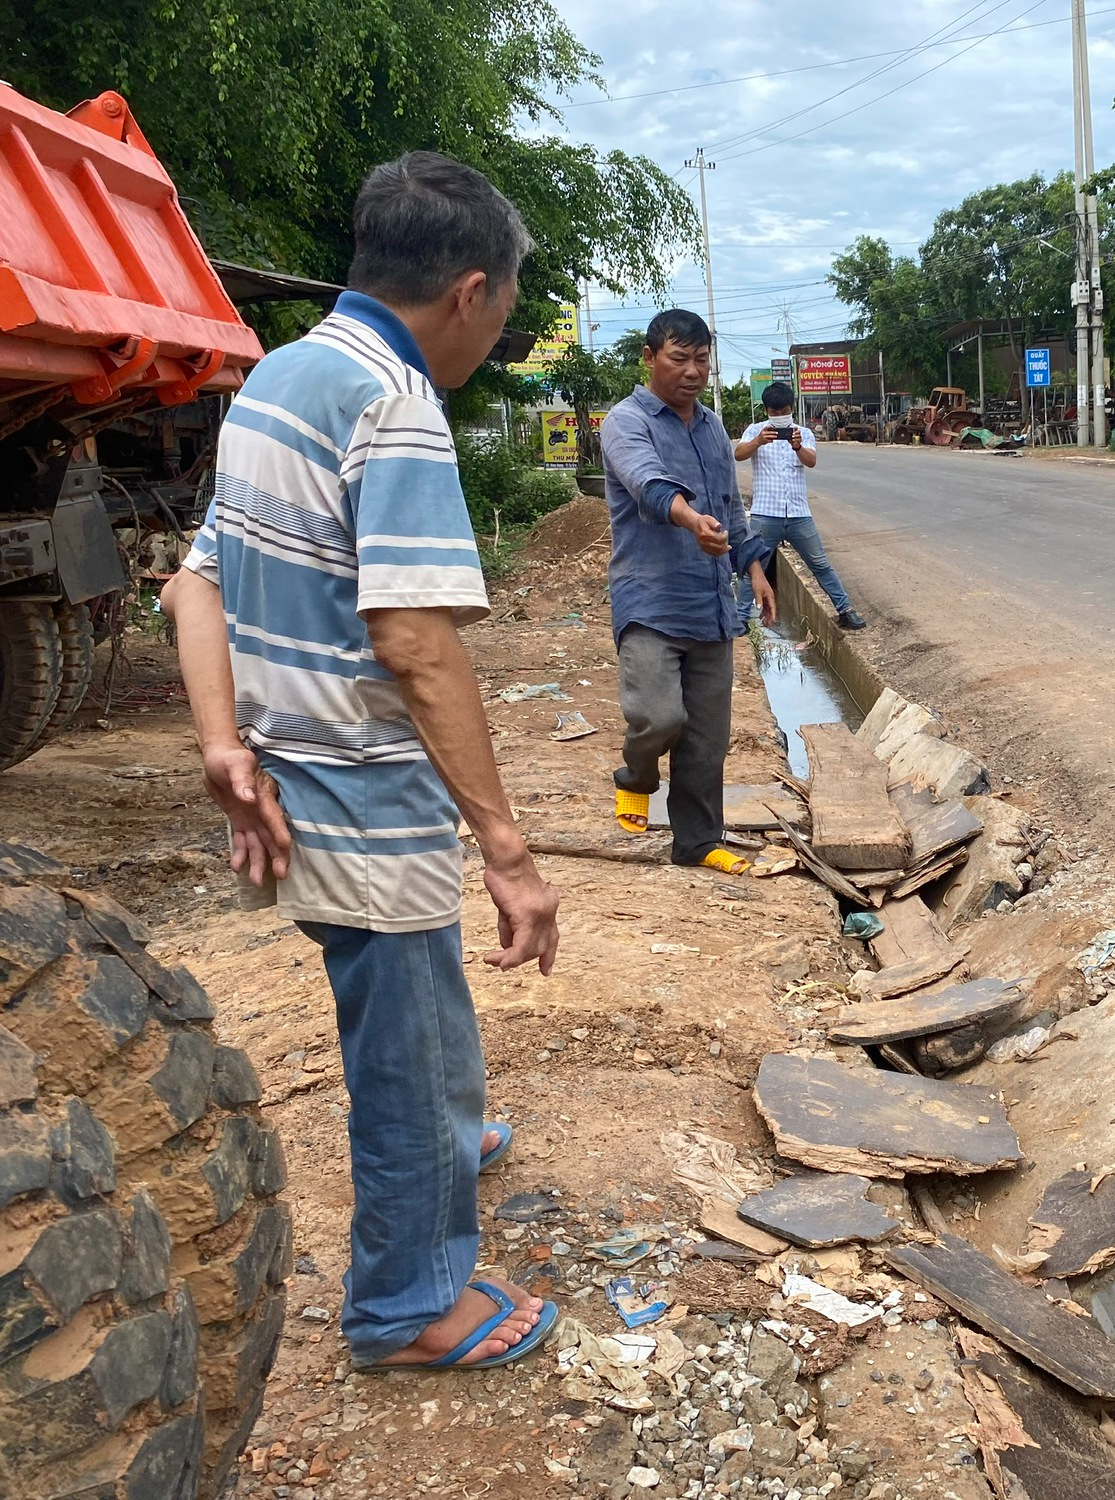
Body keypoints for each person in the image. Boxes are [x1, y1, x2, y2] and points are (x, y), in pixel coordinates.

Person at [161, 152, 562, 1370]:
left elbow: (194, 581)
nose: (492, 335)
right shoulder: (394, 400)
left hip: (287, 779)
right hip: (362, 798)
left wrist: (224, 746)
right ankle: (403, 1307)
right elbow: (414, 638)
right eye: (502, 315)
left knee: (415, 1022)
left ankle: (454, 1136)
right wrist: (505, 843)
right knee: (403, 1051)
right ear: (471, 293)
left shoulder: (280, 376)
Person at [601, 308, 776, 856]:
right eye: (680, 358)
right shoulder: (626, 422)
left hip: (711, 606)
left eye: (701, 360)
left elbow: (731, 510)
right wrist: (690, 519)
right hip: (649, 600)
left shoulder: (714, 429)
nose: (693, 371)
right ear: (650, 358)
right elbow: (649, 484)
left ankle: (698, 843)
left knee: (705, 740)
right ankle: (636, 777)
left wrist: (753, 569)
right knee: (658, 716)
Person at [733, 381, 867, 630]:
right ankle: (740, 619)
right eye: (774, 412)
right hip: (765, 514)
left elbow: (811, 461)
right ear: (766, 411)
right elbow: (739, 454)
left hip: (798, 514)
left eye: (783, 411)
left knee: (820, 564)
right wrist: (759, 442)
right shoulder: (756, 430)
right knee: (753, 567)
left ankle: (845, 611)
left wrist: (797, 446)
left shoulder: (802, 433)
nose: (780, 417)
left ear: (791, 408)